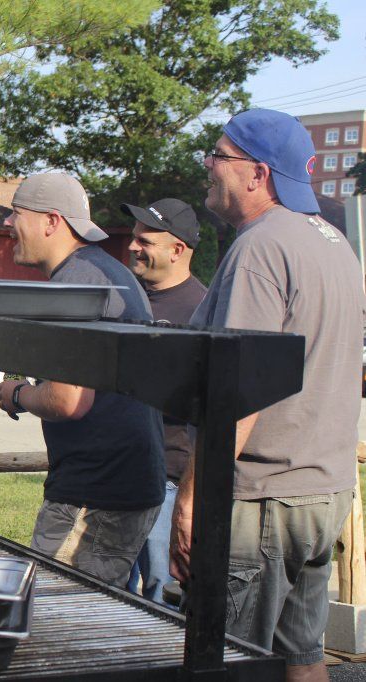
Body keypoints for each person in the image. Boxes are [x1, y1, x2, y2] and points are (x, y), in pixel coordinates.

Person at [170, 109, 364, 682]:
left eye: (219, 156)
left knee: (225, 662)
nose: (209, 166)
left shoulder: (260, 247)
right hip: (323, 492)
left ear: (257, 174)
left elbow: (240, 391)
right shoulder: (333, 243)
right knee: (301, 655)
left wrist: (191, 499)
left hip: (263, 502)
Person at [0, 173, 165, 588]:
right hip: (128, 479)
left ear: (52, 221)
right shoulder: (107, 271)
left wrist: (15, 394)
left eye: (17, 213)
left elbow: (68, 400)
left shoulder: (75, 284)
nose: (6, 223)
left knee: (60, 612)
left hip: (94, 493)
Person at [120, 198, 207, 605]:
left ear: (177, 249)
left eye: (146, 240)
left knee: (159, 595)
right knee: (110, 594)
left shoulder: (203, 311)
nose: (134, 246)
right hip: (117, 475)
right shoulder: (120, 299)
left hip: (169, 483)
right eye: (135, 238)